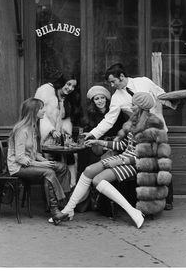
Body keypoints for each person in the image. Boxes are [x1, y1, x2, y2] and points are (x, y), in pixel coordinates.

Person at [57, 92, 164, 229]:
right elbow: (122, 146)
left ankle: (133, 212)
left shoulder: (151, 126)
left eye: (134, 104)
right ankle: (68, 209)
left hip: (137, 164)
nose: (131, 107)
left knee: (97, 180)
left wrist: (119, 162)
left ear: (142, 106)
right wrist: (99, 142)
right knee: (89, 170)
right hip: (124, 157)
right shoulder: (134, 121)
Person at [84, 63, 176, 210]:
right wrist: (93, 133)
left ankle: (168, 199)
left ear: (122, 76)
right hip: (138, 135)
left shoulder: (144, 81)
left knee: (162, 163)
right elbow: (109, 120)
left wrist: (175, 101)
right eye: (110, 83)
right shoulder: (116, 98)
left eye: (113, 81)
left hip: (158, 129)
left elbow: (161, 95)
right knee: (146, 164)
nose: (112, 85)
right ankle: (146, 200)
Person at [7, 98, 70, 225]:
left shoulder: (32, 127)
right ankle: (55, 211)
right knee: (48, 172)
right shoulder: (21, 130)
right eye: (41, 108)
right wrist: (42, 165)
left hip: (29, 164)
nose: (44, 110)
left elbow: (33, 153)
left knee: (62, 167)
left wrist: (44, 160)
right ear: (33, 111)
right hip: (18, 168)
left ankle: (60, 203)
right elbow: (20, 158)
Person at [34, 72, 81, 188]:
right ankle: (54, 192)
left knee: (70, 157)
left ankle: (70, 187)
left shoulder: (67, 98)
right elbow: (39, 114)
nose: (70, 88)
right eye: (68, 84)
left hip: (60, 138)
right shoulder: (46, 91)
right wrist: (51, 130)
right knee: (52, 161)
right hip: (45, 136)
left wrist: (65, 133)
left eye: (73, 86)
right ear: (62, 82)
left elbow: (65, 118)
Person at [80, 85, 127, 169]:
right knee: (85, 155)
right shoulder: (91, 115)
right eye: (97, 99)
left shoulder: (115, 112)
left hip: (115, 144)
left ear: (106, 99)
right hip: (98, 145)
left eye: (102, 98)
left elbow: (123, 129)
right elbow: (89, 132)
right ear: (93, 101)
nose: (100, 101)